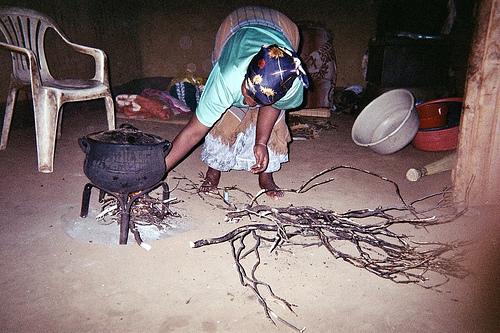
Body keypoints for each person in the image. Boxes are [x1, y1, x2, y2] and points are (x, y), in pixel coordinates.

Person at [164, 6, 309, 199]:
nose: (249, 103)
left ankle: (266, 174)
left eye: (256, 101)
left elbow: (273, 105)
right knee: (225, 116)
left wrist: (261, 142)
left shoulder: (293, 86)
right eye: (247, 95)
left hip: (284, 28)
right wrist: (157, 171)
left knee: (275, 122)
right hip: (236, 25)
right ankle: (214, 168)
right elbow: (193, 132)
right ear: (244, 77)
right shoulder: (227, 76)